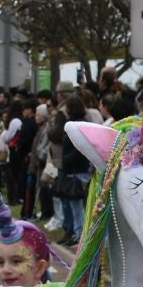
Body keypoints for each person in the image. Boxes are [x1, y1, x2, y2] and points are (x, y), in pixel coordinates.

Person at [50, 93, 93, 243]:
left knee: (76, 205)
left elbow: (77, 147)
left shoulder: (74, 125)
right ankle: (78, 233)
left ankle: (79, 234)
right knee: (79, 204)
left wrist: (66, 160)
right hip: (80, 168)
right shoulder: (84, 123)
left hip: (75, 169)